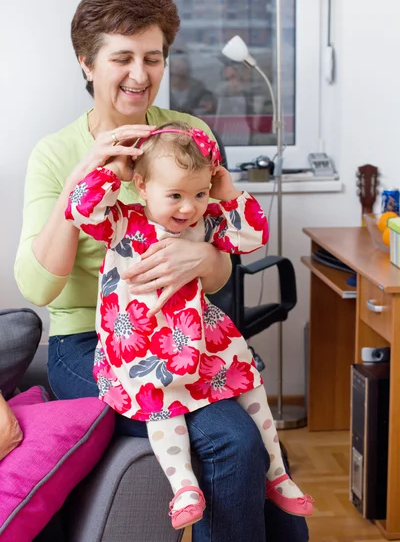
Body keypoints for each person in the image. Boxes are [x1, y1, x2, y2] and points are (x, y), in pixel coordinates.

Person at [14, 0, 309, 542]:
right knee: (232, 439)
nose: (140, 74)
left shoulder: (190, 136)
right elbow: (37, 288)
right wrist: (85, 173)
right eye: (122, 57)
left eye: (153, 57)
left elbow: (225, 269)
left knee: (255, 435)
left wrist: (199, 259)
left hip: (186, 332)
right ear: (86, 63)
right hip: (91, 346)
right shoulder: (56, 154)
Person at [65, 121, 313, 529]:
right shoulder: (124, 221)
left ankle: (278, 476)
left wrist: (227, 192)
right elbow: (80, 209)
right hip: (141, 341)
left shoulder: (205, 221)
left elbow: (253, 237)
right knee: (160, 402)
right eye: (175, 195)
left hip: (198, 336)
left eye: (198, 194)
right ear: (142, 187)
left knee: (247, 380)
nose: (187, 207)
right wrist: (113, 171)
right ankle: (184, 486)